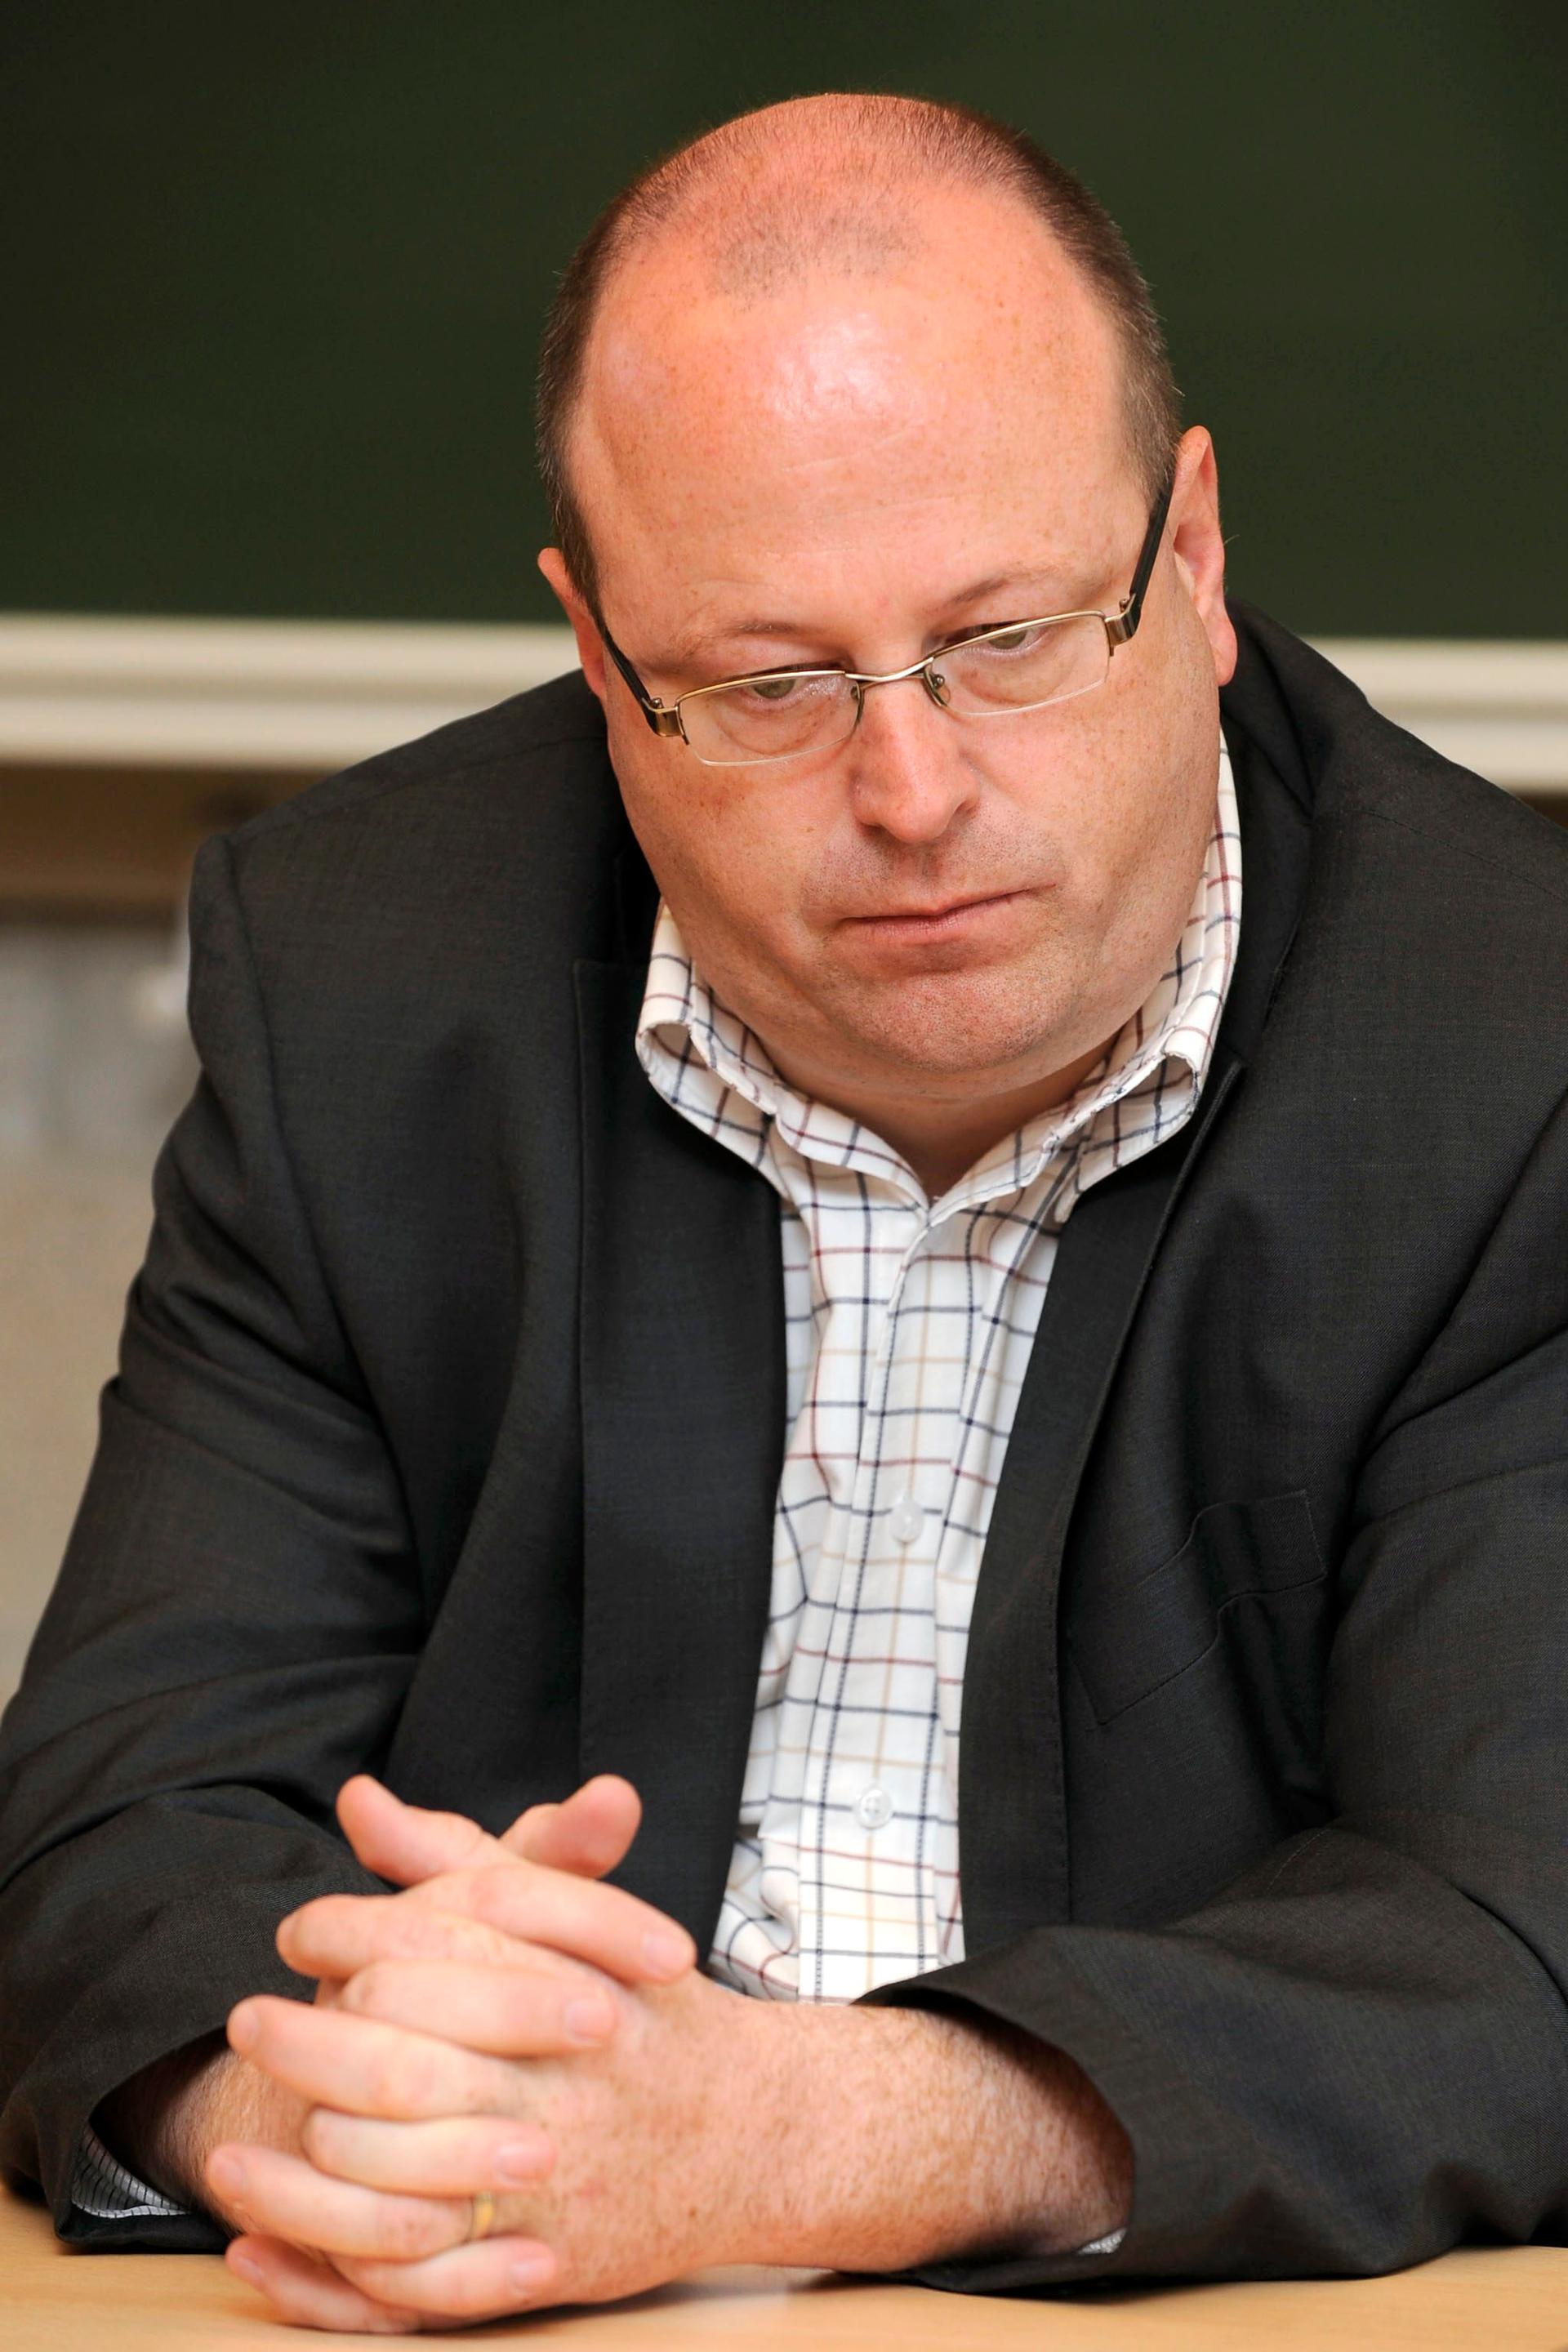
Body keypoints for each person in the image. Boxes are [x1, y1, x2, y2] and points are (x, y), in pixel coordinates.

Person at [3, 88, 1568, 2335]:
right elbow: (100, 1824)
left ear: (1195, 562)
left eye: (1012, 638)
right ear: (597, 658)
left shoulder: (1516, 1055)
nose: (914, 791)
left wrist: (817, 2133)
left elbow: (1526, 1938)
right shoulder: (365, 983)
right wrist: (357, 2113)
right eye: (767, 682)